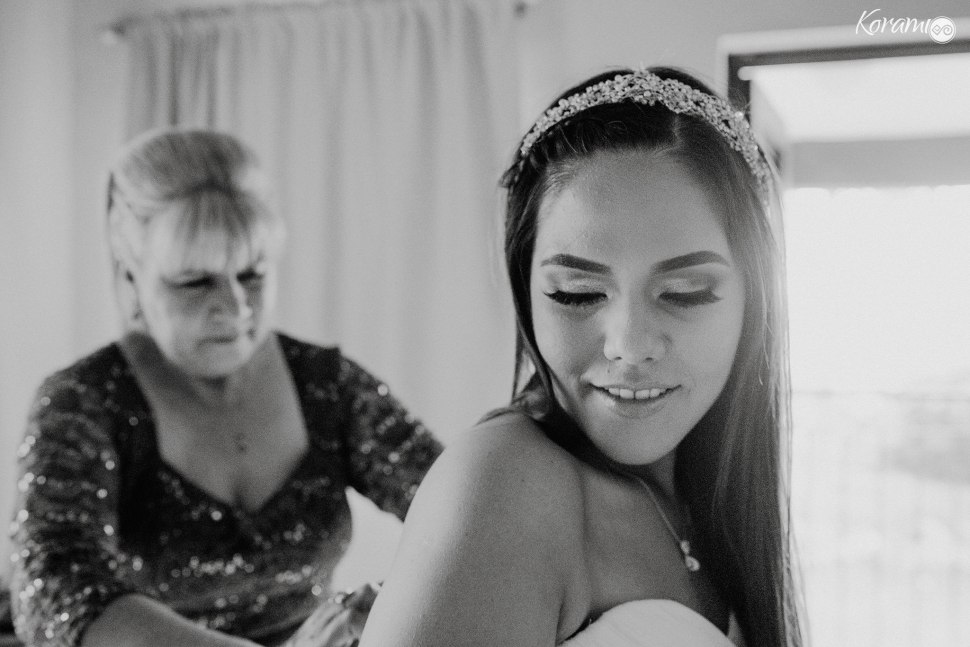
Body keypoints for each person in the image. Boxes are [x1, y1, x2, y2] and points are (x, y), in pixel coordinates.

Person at [356, 67, 804, 647]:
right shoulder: (507, 485)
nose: (630, 346)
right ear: (526, 292)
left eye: (685, 293)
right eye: (577, 294)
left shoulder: (710, 495)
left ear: (756, 296)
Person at [8, 128, 442, 647]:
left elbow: (462, 507)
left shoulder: (330, 387)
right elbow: (55, 588)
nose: (235, 307)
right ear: (130, 279)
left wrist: (393, 606)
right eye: (195, 282)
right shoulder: (83, 402)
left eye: (253, 274)